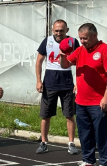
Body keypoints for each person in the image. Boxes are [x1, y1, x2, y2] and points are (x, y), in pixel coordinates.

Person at [59, 23, 107, 166]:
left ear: (94, 36)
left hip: (98, 101)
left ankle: (105, 163)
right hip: (81, 101)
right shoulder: (80, 50)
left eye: (85, 38)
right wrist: (62, 54)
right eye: (80, 38)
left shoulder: (104, 49)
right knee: (85, 133)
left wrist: (105, 98)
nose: (82, 41)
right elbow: (65, 64)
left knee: (102, 133)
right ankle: (88, 161)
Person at [35, 19, 80, 154]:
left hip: (66, 82)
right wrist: (38, 80)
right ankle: (43, 142)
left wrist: (77, 82)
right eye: (56, 30)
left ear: (67, 30)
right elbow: (39, 61)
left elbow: (79, 62)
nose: (59, 33)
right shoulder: (47, 41)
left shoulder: (73, 42)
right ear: (52, 30)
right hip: (50, 82)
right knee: (45, 115)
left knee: (69, 114)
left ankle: (71, 143)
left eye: (61, 30)